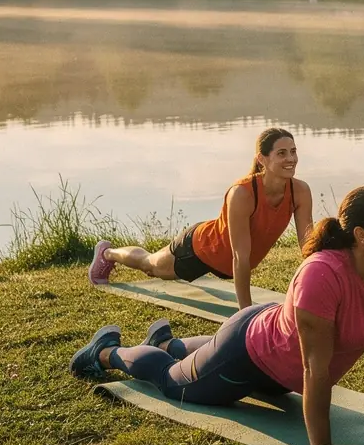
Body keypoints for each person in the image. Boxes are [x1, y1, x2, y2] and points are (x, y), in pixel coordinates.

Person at [70, 186, 364, 445]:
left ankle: (170, 342)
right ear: (362, 235)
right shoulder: (322, 275)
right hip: (248, 354)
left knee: (192, 361)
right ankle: (106, 351)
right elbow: (315, 367)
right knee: (174, 384)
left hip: (282, 363)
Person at [88, 127, 313, 309]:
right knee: (150, 266)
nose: (290, 158)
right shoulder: (243, 194)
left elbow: (308, 246)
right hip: (201, 249)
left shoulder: (300, 191)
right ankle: (108, 253)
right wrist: (245, 310)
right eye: (281, 153)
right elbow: (239, 256)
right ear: (262, 159)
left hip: (227, 264)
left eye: (293, 151)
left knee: (155, 266)